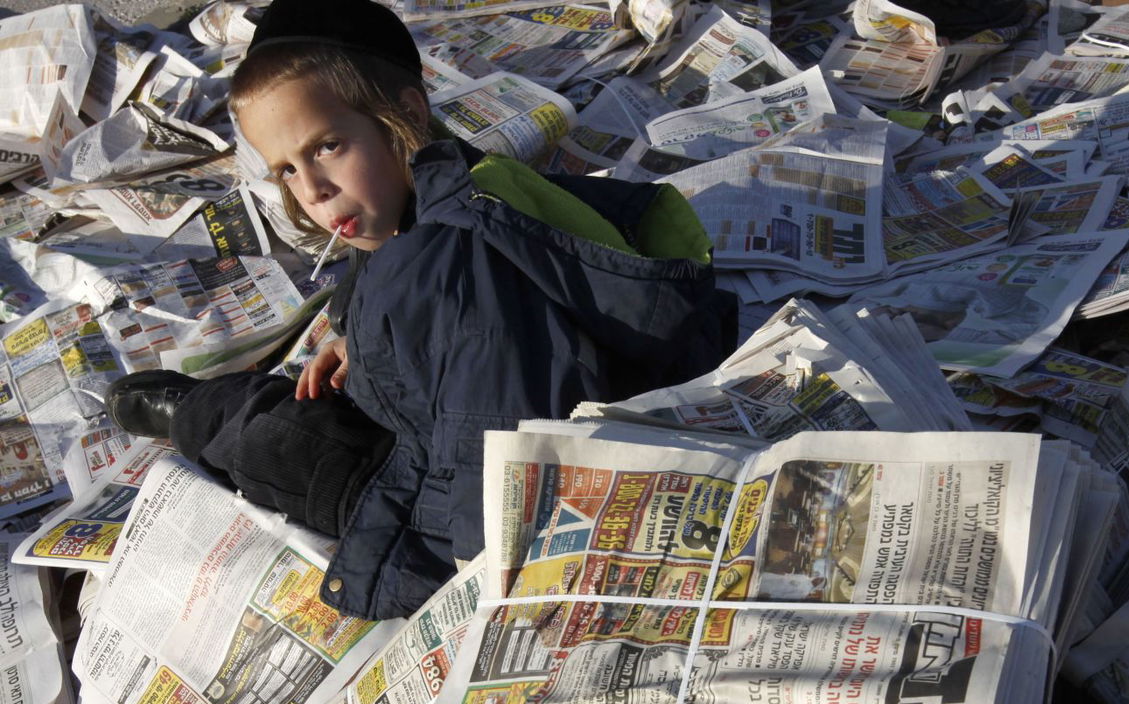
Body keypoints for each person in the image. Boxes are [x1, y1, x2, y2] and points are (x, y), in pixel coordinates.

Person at [104, 0, 736, 621]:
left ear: (402, 115)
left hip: (440, 484)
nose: (314, 190)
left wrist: (463, 586)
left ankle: (191, 411)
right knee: (305, 395)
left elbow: (494, 456)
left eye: (326, 147)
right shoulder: (433, 194)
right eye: (288, 169)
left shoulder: (458, 267)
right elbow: (382, 269)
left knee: (273, 440)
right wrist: (354, 338)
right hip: (432, 414)